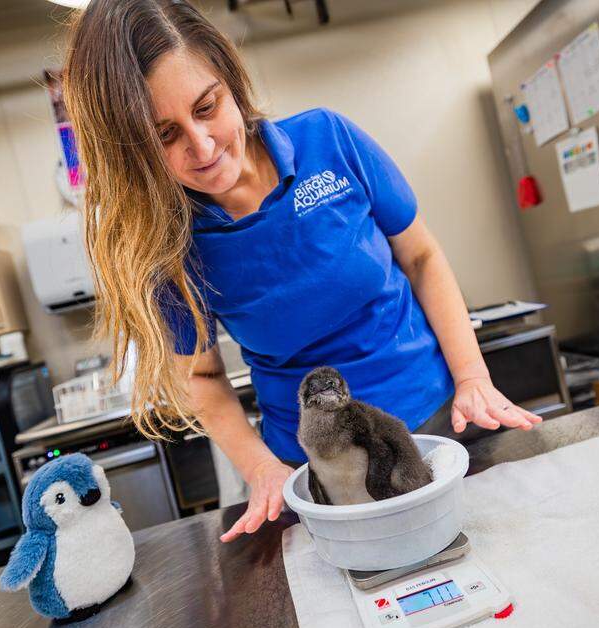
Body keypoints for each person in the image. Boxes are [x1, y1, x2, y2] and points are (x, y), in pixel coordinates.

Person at [61, 0, 542, 543]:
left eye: (206, 107)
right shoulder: (167, 245)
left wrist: (473, 377)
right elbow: (202, 377)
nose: (202, 145)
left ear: (230, 81)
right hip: (322, 467)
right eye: (164, 135)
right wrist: (262, 468)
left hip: (442, 419)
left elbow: (421, 257)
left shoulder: (328, 140)